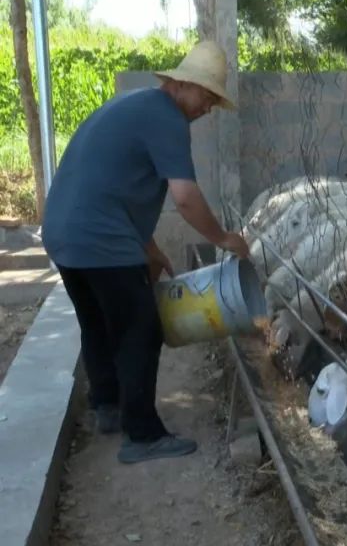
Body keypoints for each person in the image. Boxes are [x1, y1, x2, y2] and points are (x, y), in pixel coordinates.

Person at [41, 40, 251, 465]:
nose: (207, 107)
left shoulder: (135, 106)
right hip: (100, 239)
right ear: (182, 85)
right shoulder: (168, 120)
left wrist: (149, 248)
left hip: (64, 233)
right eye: (206, 96)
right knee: (141, 328)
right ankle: (143, 435)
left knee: (98, 322)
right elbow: (186, 197)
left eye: (213, 100)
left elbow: (115, 187)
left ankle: (108, 406)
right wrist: (224, 237)